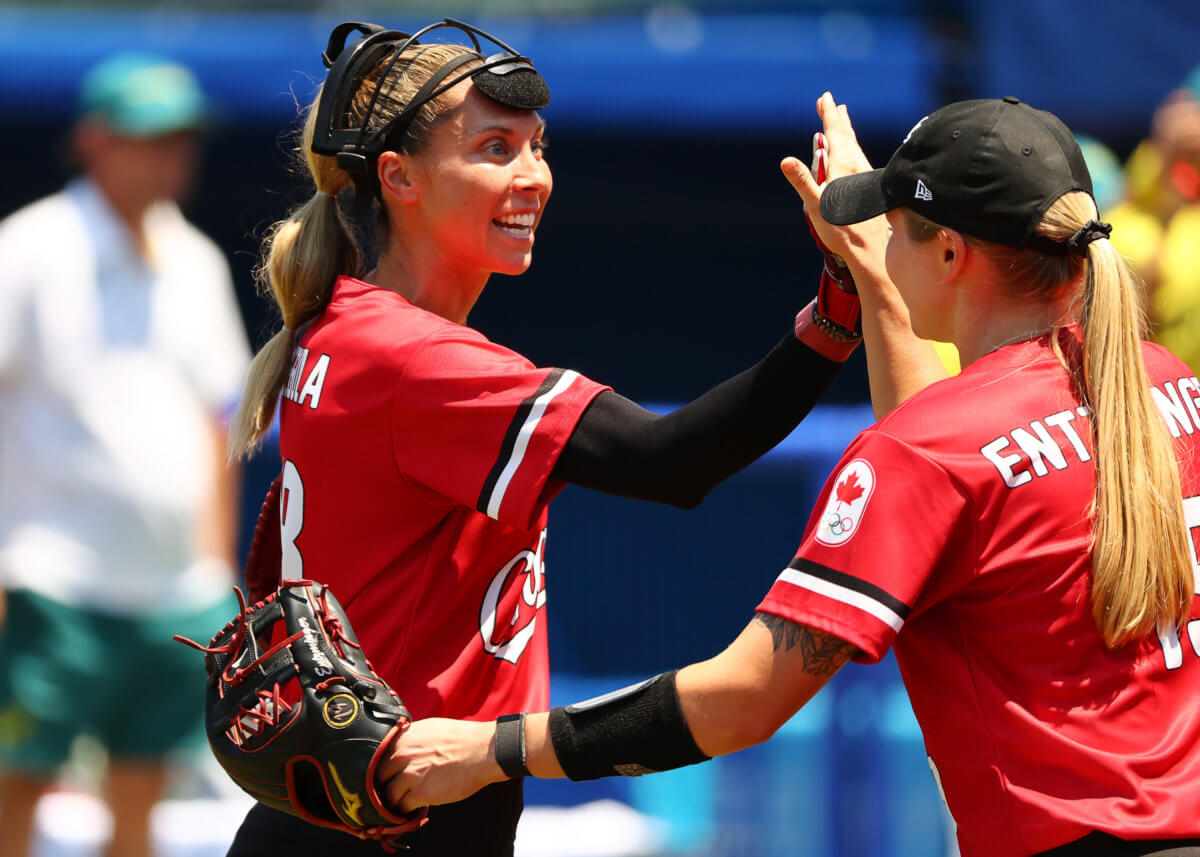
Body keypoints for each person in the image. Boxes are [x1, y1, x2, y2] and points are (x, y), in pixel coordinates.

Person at [382, 96, 1200, 857]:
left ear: (950, 251)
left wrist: (489, 749)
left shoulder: (932, 452)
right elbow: (956, 450)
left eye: (898, 225)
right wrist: (875, 267)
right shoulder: (1162, 382)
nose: (880, 236)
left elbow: (738, 700)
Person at [220, 20, 912, 857]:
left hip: (360, 809)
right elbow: (671, 462)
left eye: (538, 148)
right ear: (398, 177)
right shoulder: (412, 355)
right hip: (395, 818)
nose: (533, 177)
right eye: (494, 148)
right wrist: (839, 305)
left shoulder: (350, 326)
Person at [0, 54, 250, 857]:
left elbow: (218, 421)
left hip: (178, 598)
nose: (171, 155)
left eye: (181, 138)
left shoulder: (197, 261)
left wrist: (216, 574)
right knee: (12, 791)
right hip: (49, 588)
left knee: (142, 804)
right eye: (150, 137)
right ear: (95, 141)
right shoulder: (27, 249)